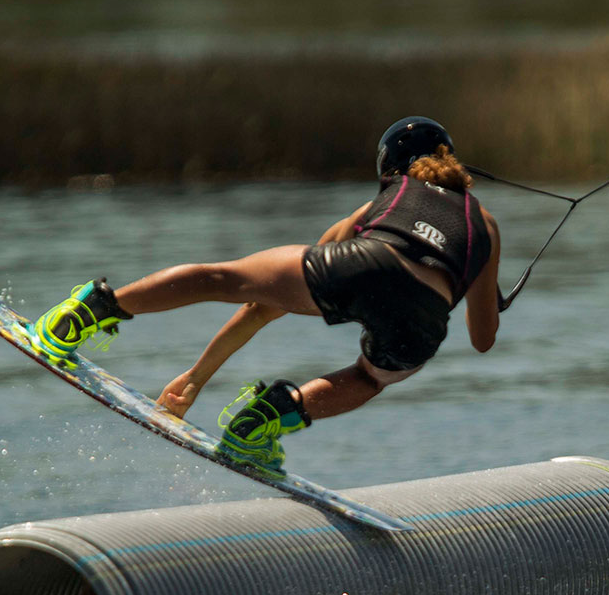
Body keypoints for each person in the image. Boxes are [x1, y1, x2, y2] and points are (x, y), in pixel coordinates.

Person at [25, 116, 502, 473]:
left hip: (366, 262)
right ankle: (266, 419)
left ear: (389, 167)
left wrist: (196, 378)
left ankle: (88, 311)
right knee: (370, 378)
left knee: (222, 279)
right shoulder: (486, 226)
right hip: (423, 319)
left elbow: (262, 308)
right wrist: (486, 296)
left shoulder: (380, 202)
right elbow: (482, 339)